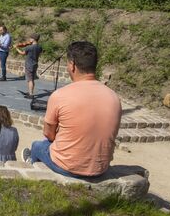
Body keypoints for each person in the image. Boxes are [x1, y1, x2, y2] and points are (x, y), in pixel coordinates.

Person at [22, 41, 122, 178]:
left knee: (37, 146)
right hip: (100, 168)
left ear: (72, 65)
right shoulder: (114, 97)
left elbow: (48, 134)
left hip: (67, 166)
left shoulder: (60, 95)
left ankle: (31, 167)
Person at [15, 33, 42, 98]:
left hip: (29, 64)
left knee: (30, 80)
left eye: (30, 38)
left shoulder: (29, 47)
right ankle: (30, 91)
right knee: (32, 79)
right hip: (35, 64)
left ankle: (31, 94)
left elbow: (22, 53)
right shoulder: (39, 47)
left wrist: (16, 48)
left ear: (33, 39)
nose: (29, 39)